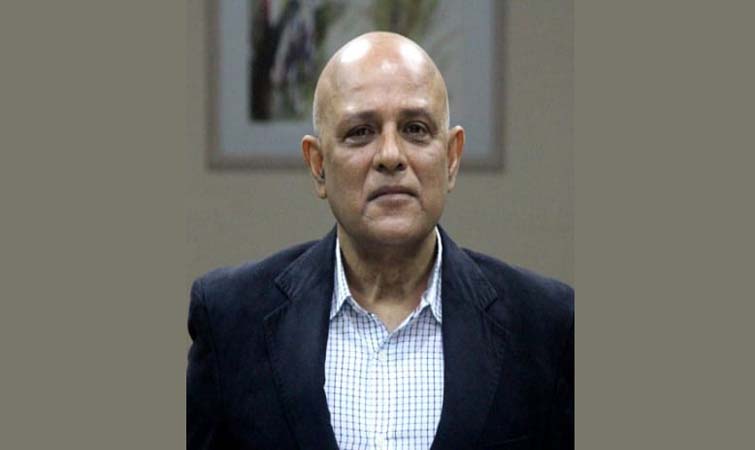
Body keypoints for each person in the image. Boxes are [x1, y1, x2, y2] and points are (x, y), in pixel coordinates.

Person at [187, 32, 573, 450]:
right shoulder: (230, 320)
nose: (391, 155)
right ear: (318, 165)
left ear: (451, 158)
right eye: (361, 132)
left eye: (415, 129)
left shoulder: (546, 325)